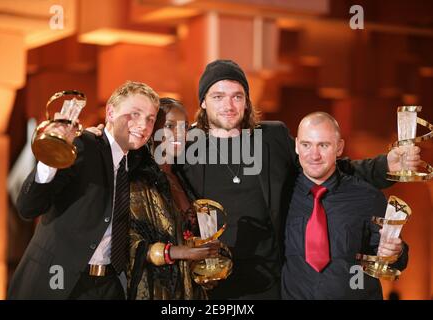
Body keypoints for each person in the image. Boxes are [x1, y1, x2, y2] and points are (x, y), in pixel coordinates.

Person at [177, 59, 421, 299]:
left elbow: (324, 167)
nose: (228, 105)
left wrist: (384, 165)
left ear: (246, 102)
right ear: (203, 102)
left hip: (271, 283)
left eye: (237, 96)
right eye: (218, 96)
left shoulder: (272, 138)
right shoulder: (187, 151)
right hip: (213, 285)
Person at [8, 81, 160, 299]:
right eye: (134, 114)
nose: (143, 125)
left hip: (106, 284)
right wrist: (53, 156)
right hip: (56, 279)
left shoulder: (137, 162)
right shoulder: (82, 145)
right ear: (110, 112)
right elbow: (28, 207)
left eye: (150, 119)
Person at [281, 112, 408, 299]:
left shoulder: (368, 196)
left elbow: (396, 262)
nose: (314, 155)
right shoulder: (281, 192)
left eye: (323, 145)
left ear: (339, 147)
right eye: (306, 145)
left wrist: (395, 252)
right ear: (297, 146)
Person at [126, 97, 222, 299]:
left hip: (192, 290)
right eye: (169, 126)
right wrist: (177, 252)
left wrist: (208, 255)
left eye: (184, 127)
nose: (179, 134)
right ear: (152, 130)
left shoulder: (183, 177)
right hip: (157, 290)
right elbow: (128, 244)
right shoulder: (137, 181)